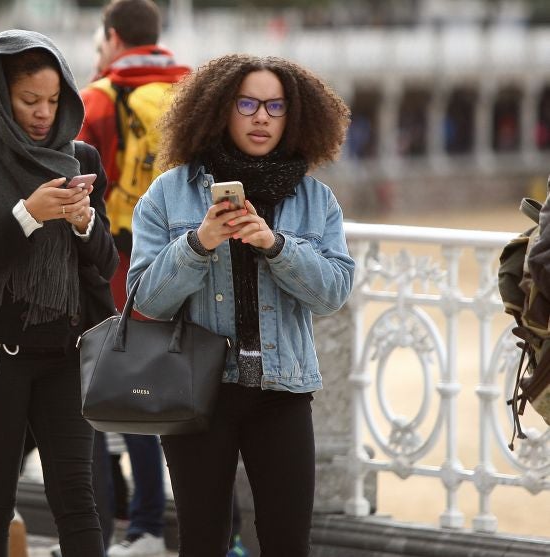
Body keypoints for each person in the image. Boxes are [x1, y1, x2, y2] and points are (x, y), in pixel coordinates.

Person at [127, 54, 355, 556]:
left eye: (275, 106)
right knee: (203, 540)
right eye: (247, 103)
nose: (262, 117)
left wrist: (277, 246)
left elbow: (334, 292)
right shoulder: (169, 193)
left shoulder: (315, 200)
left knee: (287, 541)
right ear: (217, 110)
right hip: (197, 389)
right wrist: (199, 242)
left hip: (283, 391)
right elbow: (145, 300)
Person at [0, 30, 118, 556]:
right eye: (29, 100)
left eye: (53, 101)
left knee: (77, 496)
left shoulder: (79, 159)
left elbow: (104, 264)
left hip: (65, 351)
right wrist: (26, 216)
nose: (42, 113)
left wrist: (83, 224)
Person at [78, 2, 189, 554]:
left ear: (115, 37)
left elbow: (72, 175)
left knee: (117, 390)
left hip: (118, 265)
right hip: (194, 259)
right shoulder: (196, 90)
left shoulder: (100, 96)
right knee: (186, 393)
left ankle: (121, 528)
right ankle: (185, 529)